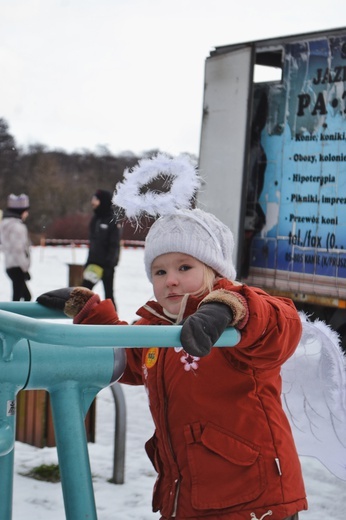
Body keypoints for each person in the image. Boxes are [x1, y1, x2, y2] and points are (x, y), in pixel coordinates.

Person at [37, 207, 307, 520]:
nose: (172, 281)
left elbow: (280, 322)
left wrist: (227, 309)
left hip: (254, 498)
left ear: (214, 271)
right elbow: (128, 357)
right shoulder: (157, 330)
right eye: (160, 272)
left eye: (184, 267)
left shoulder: (236, 327)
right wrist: (89, 311)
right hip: (188, 494)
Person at [82, 189, 121, 308]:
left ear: (103, 201)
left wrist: (110, 264)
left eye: (96, 199)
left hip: (107, 266)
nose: (92, 202)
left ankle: (113, 321)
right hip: (93, 264)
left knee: (109, 295)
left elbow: (114, 245)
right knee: (84, 292)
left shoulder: (112, 220)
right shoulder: (95, 219)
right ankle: (82, 318)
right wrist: (88, 262)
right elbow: (93, 244)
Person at [0, 193, 31, 301]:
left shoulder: (4, 225)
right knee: (22, 298)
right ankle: (15, 318)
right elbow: (19, 250)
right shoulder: (18, 227)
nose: (27, 214)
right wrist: (24, 268)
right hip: (18, 266)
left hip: (10, 265)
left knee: (22, 296)